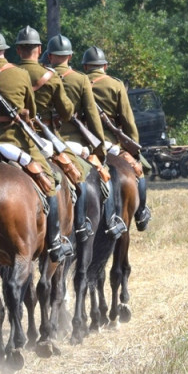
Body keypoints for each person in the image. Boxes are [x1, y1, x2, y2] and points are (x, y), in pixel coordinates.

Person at [0, 28, 73, 263]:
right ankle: (54, 241)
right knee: (50, 180)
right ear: (5, 51)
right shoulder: (20, 75)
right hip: (18, 145)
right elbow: (30, 110)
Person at [15, 26, 95, 241]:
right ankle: (77, 226)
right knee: (78, 173)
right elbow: (67, 112)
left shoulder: (10, 74)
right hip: (43, 137)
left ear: (17, 50)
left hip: (11, 138)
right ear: (39, 49)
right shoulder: (48, 76)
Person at [45, 34, 127, 239]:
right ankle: (108, 220)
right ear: (70, 56)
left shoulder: (38, 76)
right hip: (74, 142)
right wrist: (99, 148)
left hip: (43, 141)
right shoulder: (80, 79)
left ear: (48, 55)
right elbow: (93, 116)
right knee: (104, 174)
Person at [82, 46, 151, 229]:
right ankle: (141, 213)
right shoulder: (115, 84)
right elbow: (128, 119)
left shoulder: (77, 81)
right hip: (110, 143)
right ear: (104, 66)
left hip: (84, 142)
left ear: (85, 67)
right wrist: (133, 145)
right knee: (137, 170)